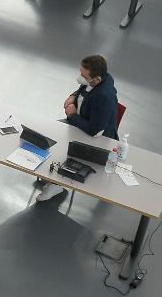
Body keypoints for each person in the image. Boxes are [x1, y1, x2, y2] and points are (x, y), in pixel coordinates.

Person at [39, 54, 119, 202]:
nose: (79, 78)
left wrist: (72, 115)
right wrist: (72, 96)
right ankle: (52, 178)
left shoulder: (104, 97)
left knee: (60, 148)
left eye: (83, 75)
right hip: (79, 123)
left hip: (94, 136)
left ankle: (57, 184)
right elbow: (84, 89)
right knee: (48, 133)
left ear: (97, 79)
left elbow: (94, 131)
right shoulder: (97, 79)